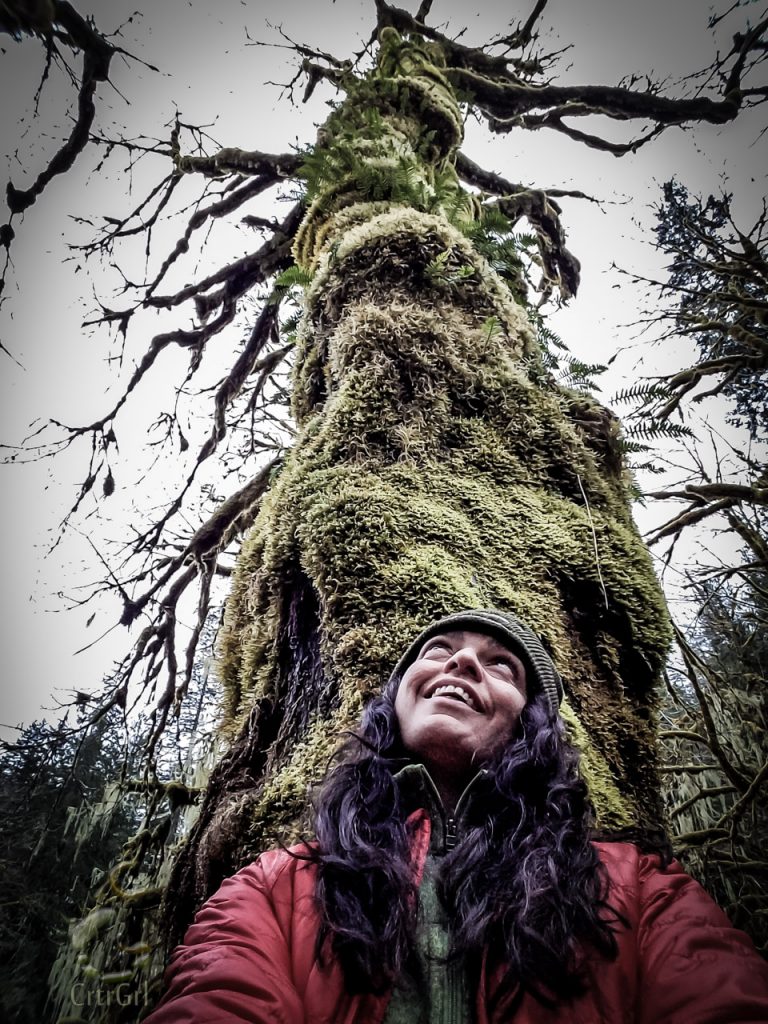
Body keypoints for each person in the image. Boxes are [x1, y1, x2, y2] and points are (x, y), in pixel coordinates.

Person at [145, 609, 768, 1023]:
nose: (462, 662)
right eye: (439, 649)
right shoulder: (274, 887)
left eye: (501, 663)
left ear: (532, 723)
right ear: (397, 699)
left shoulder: (639, 891)